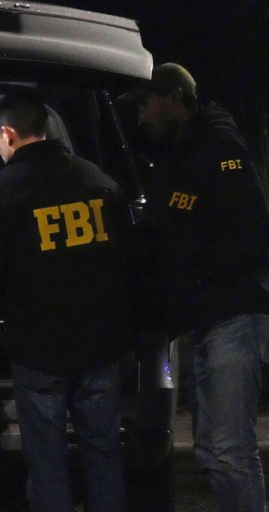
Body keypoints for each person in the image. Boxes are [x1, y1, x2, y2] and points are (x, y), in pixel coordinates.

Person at [0, 91, 134, 512]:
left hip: (39, 350)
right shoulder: (98, 180)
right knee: (104, 455)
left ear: (8, 133)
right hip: (100, 344)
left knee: (47, 462)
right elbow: (129, 260)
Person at [119, 62, 269, 512]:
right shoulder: (181, 154)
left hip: (231, 315)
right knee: (211, 451)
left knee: (228, 451)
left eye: (146, 104)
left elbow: (249, 236)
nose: (142, 117)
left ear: (174, 99)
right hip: (205, 317)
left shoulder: (220, 147)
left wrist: (192, 274)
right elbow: (163, 231)